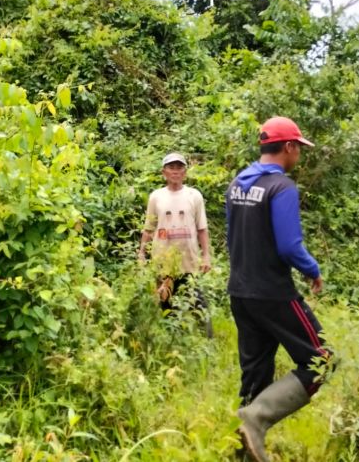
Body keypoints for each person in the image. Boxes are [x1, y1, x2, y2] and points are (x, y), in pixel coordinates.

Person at [226, 117, 331, 462]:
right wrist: (312, 270)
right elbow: (289, 246)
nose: (299, 153)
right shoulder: (280, 187)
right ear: (288, 147)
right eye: (299, 147)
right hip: (273, 293)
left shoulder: (238, 184)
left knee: (256, 373)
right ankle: (256, 418)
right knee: (322, 361)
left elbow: (232, 237)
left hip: (241, 291)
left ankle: (243, 452)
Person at [139, 152, 211, 320]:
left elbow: (202, 228)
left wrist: (206, 256)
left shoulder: (194, 195)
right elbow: (148, 228)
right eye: (171, 167)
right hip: (163, 261)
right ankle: (172, 340)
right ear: (164, 172)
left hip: (189, 261)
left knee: (198, 304)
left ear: (185, 172)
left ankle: (206, 340)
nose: (176, 171)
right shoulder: (156, 197)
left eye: (179, 167)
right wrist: (141, 253)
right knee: (166, 305)